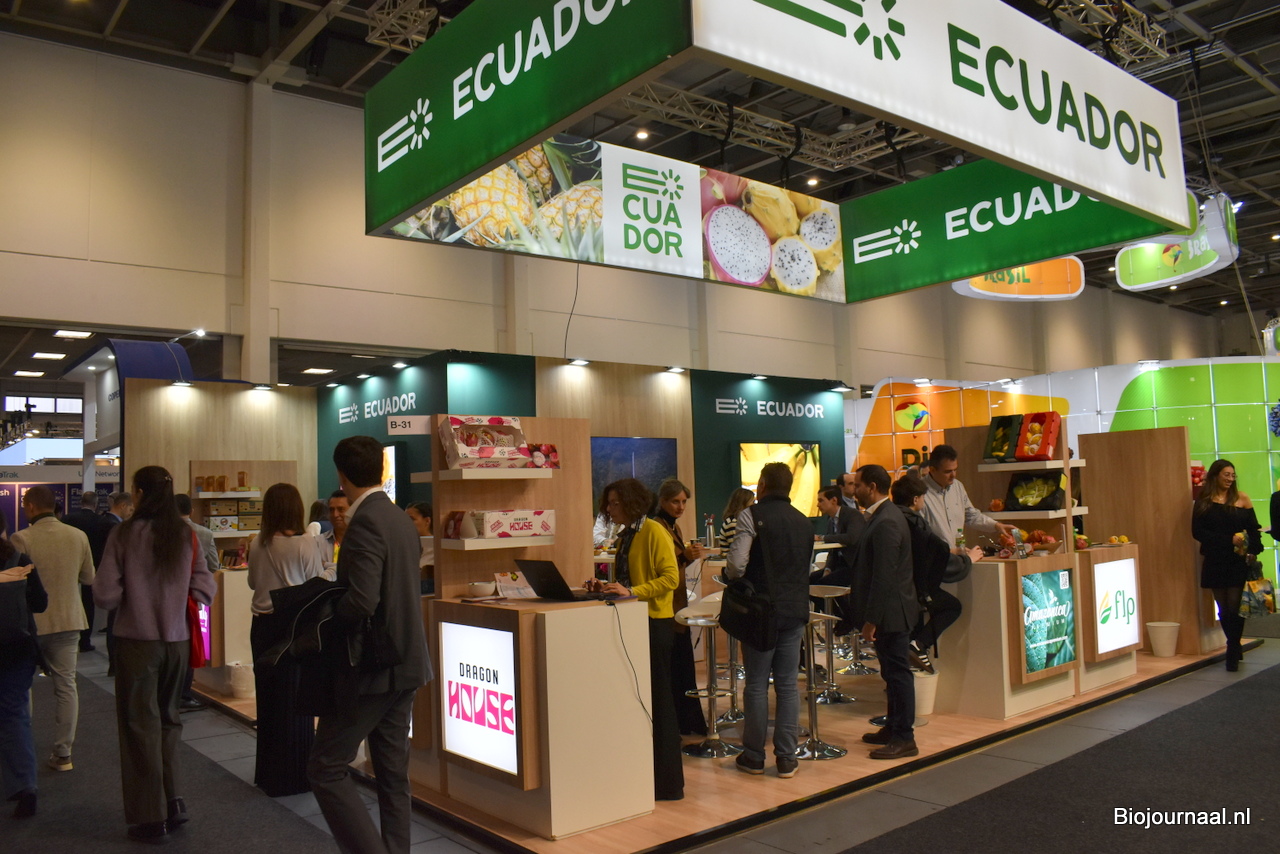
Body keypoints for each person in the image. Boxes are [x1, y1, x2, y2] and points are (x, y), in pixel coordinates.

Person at [307, 436, 430, 853]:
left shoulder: (365, 522)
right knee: (393, 776)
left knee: (326, 767)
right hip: (406, 662)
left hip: (375, 666)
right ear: (381, 469)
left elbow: (362, 600)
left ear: (341, 475)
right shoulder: (399, 517)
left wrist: (325, 617)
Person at [94, 466, 217, 843]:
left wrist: (134, 594)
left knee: (138, 724)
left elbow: (105, 595)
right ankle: (174, 800)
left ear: (139, 493)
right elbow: (205, 585)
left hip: (137, 642)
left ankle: (150, 816)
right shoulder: (185, 534)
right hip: (178, 641)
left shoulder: (124, 533)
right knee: (169, 719)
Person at [585, 478, 683, 801]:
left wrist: (632, 592)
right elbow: (629, 581)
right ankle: (646, 778)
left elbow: (670, 578)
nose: (609, 509)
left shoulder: (653, 531)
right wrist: (607, 587)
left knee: (660, 702)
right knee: (643, 701)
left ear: (631, 502)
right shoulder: (627, 534)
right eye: (608, 503)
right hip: (635, 621)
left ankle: (669, 784)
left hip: (655, 623)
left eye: (615, 503)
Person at [247, 483, 335, 797]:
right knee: (296, 701)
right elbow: (314, 584)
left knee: (268, 700)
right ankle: (294, 777)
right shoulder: (305, 543)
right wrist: (332, 571)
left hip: (261, 627)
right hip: (293, 627)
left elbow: (252, 582)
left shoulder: (256, 543)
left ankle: (268, 774)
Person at [726, 461, 811, 779]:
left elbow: (737, 565)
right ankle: (787, 758)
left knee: (757, 685)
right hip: (795, 609)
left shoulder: (751, 516)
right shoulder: (803, 521)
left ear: (761, 485)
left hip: (761, 611)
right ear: (789, 488)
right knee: (788, 685)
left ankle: (754, 756)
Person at [10, 485, 94, 775]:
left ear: (31, 506)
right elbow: (89, 577)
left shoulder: (21, 538)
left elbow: (15, 584)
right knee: (66, 686)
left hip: (32, 625)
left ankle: (24, 748)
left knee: (24, 686)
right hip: (69, 620)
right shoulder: (78, 536)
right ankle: (63, 753)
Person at [849, 464, 919, 760]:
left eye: (857, 485)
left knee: (898, 674)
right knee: (891, 673)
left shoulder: (887, 520)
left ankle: (904, 737)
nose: (854, 490)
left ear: (872, 487)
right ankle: (893, 728)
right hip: (890, 610)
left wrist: (872, 619)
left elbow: (884, 575)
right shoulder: (883, 516)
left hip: (892, 612)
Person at [890, 474, 980, 673]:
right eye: (923, 497)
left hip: (897, 590)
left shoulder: (891, 518)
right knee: (952, 606)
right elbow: (933, 555)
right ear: (916, 499)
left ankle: (911, 658)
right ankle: (919, 645)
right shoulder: (916, 523)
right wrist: (967, 560)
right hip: (913, 590)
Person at [1192, 459, 1261, 671]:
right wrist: (1227, 539)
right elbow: (1198, 532)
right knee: (1222, 607)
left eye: (1233, 475)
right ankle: (1234, 643)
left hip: (1237, 560)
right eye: (1226, 475)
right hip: (1215, 559)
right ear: (1215, 476)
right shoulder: (1204, 501)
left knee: (1235, 606)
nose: (1230, 479)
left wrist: (1253, 550)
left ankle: (1232, 647)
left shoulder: (1242, 498)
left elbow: (1254, 530)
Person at [652, 478, 707, 736]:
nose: (681, 507)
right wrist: (684, 556)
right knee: (675, 669)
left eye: (684, 502)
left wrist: (686, 557)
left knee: (682, 667)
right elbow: (659, 568)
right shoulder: (656, 527)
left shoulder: (673, 527)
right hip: (665, 608)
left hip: (677, 606)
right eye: (675, 501)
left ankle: (687, 723)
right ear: (662, 501)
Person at [0, 508, 44, 819]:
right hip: (16, 648)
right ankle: (25, 784)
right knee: (15, 714)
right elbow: (40, 602)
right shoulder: (18, 559)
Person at [175, 493, 219, 712]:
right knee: (191, 644)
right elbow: (214, 565)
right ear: (191, 510)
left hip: (167, 598)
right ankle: (184, 694)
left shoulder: (162, 532)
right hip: (193, 598)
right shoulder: (204, 533)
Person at [919, 444, 1014, 547]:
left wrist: (997, 526)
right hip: (935, 555)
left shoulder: (957, 486)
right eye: (948, 471)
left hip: (959, 554)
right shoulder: (918, 492)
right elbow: (920, 534)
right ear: (932, 470)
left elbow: (971, 516)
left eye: (955, 470)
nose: (953, 475)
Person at [813, 485, 865, 633]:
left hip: (855, 565)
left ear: (834, 500)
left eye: (821, 500)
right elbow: (833, 551)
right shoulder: (831, 521)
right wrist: (828, 568)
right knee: (809, 583)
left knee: (825, 583)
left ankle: (850, 619)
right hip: (840, 565)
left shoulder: (853, 515)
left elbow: (851, 538)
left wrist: (822, 538)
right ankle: (842, 617)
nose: (818, 505)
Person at [61, 490, 102, 653]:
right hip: (92, 566)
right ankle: (85, 640)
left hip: (69, 566)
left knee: (68, 601)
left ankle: (68, 635)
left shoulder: (68, 519)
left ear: (81, 502)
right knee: (88, 604)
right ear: (95, 504)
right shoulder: (101, 521)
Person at [100, 492, 133, 677]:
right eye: (130, 509)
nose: (130, 513)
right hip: (117, 582)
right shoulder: (116, 528)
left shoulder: (102, 521)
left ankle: (114, 663)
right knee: (115, 624)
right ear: (123, 506)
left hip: (108, 580)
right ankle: (116, 663)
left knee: (112, 623)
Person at [404, 501, 434, 570]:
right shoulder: (405, 546)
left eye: (411, 519)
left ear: (427, 521)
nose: (406, 523)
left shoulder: (435, 550)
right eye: (405, 519)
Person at [324, 489, 350, 561]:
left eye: (341, 509)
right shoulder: (318, 543)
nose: (335, 514)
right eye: (331, 510)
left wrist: (326, 564)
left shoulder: (362, 542)